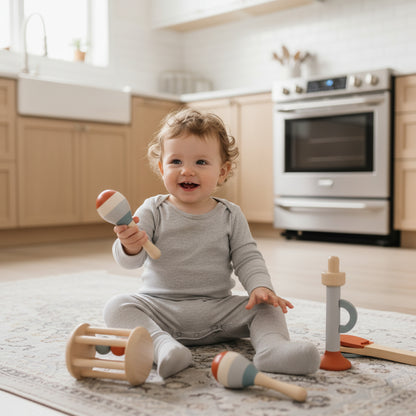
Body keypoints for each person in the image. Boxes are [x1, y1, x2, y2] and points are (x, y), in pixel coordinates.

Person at [104, 108, 320, 378]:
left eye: (201, 163)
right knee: (117, 306)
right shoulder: (152, 209)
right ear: (162, 169)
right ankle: (163, 348)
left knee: (268, 307)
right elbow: (130, 259)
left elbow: (247, 256)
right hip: (161, 309)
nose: (187, 170)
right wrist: (129, 244)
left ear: (222, 171)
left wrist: (261, 287)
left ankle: (273, 349)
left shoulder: (231, 214)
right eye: (175, 161)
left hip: (217, 312)